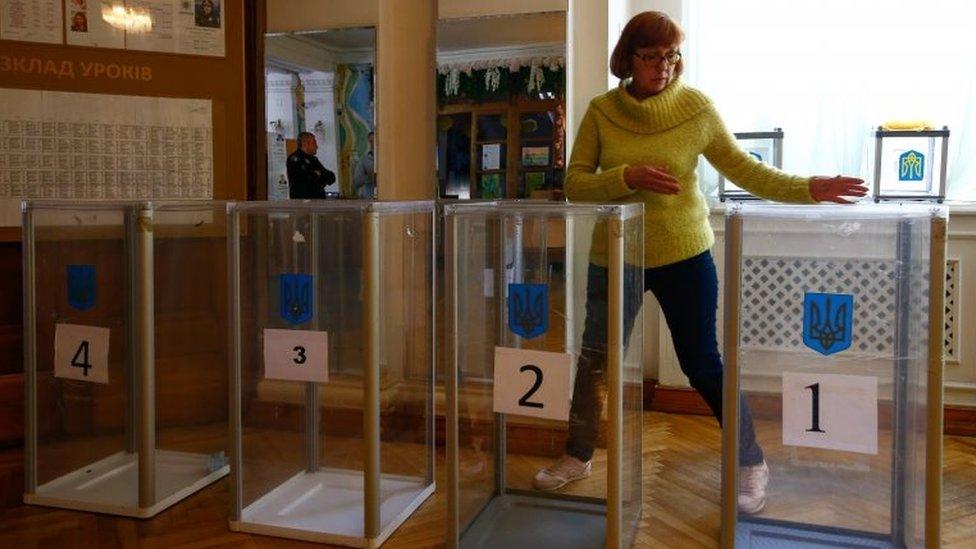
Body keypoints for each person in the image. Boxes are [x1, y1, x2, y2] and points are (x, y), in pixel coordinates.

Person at [531, 11, 867, 516]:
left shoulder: (696, 108)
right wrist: (626, 175)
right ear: (629, 59)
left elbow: (745, 169)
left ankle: (750, 459)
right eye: (651, 57)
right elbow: (577, 182)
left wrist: (807, 188)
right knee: (594, 359)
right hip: (616, 254)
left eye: (671, 56)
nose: (663, 67)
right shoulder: (602, 111)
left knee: (701, 364)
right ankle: (576, 455)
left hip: (685, 255)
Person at [287, 132, 336, 199]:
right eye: (314, 143)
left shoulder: (313, 159)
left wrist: (320, 175)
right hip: (302, 202)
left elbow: (331, 177)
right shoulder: (295, 159)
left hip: (318, 201)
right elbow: (309, 182)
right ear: (305, 144)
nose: (317, 146)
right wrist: (321, 176)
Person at [354, 131, 376, 198]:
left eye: (375, 140)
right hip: (369, 197)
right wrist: (368, 177)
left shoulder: (388, 158)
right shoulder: (365, 159)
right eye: (371, 141)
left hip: (386, 196)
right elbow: (357, 182)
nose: (373, 143)